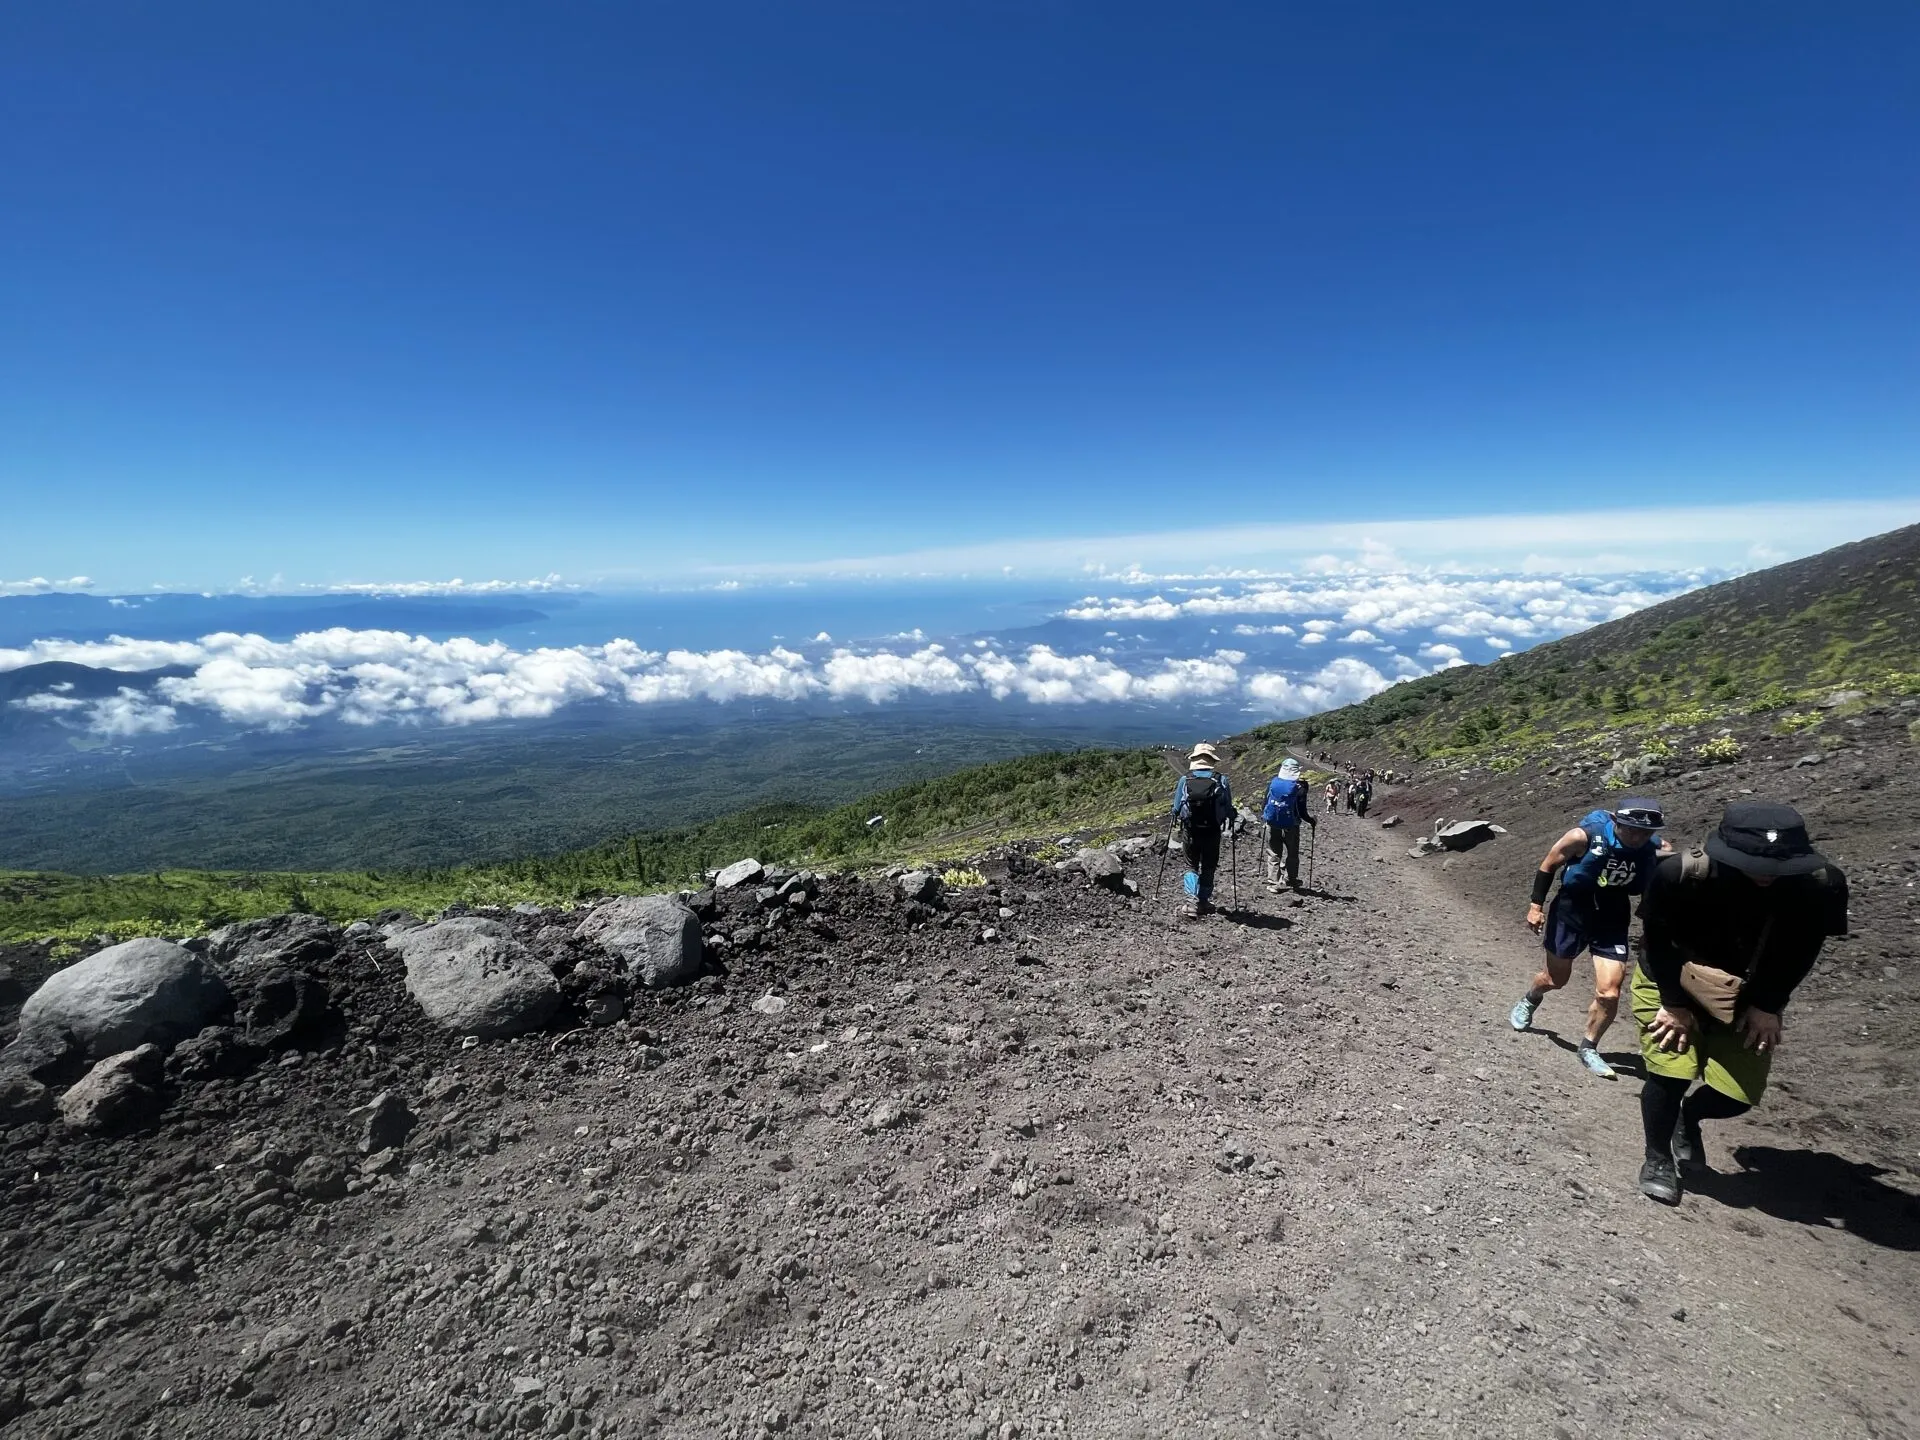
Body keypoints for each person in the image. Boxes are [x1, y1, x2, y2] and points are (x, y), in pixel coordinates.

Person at [1632, 802, 1849, 1205]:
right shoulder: (1679, 874)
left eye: (1778, 865)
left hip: (1752, 993)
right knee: (1670, 1071)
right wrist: (1674, 1004)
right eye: (1752, 863)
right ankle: (1657, 1156)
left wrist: (1769, 1005)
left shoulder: (1821, 885)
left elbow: (1804, 949)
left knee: (1737, 1094)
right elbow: (1657, 940)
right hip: (1672, 979)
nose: (1765, 873)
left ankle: (1689, 1117)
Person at [1508, 798, 1670, 1079]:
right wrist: (1536, 906)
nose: (1637, 837)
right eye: (1631, 830)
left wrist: (1649, 924)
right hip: (1571, 911)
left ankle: (1589, 1047)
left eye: (1645, 833)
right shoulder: (1583, 837)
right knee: (1556, 980)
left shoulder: (1654, 848)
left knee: (1610, 991)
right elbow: (1549, 865)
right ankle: (1532, 997)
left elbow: (1655, 882)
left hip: (1612, 916)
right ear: (1617, 823)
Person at [1171, 743, 1235, 918]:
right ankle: (1204, 902)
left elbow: (1176, 808)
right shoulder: (1221, 780)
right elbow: (1228, 807)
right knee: (1208, 866)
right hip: (1213, 831)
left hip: (1191, 831)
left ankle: (1191, 903)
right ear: (1211, 761)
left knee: (1191, 865)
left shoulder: (1185, 779)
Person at [1260, 757, 1316, 891]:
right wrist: (1311, 821)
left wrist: (1266, 818)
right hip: (1292, 826)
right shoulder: (1299, 787)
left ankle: (1274, 882)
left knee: (1273, 853)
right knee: (1292, 853)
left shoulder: (1273, 783)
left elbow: (1265, 803)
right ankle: (1291, 878)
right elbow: (1302, 811)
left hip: (1272, 823)